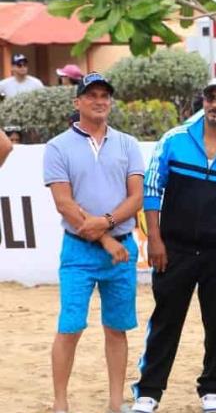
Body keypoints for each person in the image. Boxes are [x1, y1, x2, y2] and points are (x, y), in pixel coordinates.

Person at [132, 76, 216, 413]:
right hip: (172, 249)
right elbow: (152, 190)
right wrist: (155, 240)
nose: (215, 104)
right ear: (203, 101)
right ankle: (148, 392)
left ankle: (213, 388)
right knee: (165, 320)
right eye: (210, 97)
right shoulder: (174, 140)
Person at [42, 72, 145, 413]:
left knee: (117, 328)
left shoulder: (128, 144)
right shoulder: (58, 146)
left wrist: (110, 223)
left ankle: (116, 404)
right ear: (77, 102)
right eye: (91, 95)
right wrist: (104, 237)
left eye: (104, 95)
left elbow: (136, 197)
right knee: (70, 326)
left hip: (122, 247)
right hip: (79, 250)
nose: (99, 100)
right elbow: (64, 204)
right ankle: (60, 403)